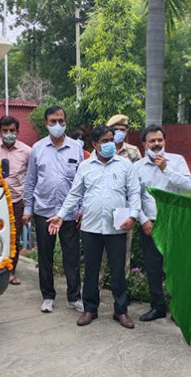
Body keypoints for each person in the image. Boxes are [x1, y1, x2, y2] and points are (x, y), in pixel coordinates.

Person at [46, 124, 142, 329]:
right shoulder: (85, 167)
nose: (109, 144)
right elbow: (74, 194)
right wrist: (61, 215)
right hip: (90, 227)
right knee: (91, 270)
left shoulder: (125, 165)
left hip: (117, 227)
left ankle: (121, 311)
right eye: (104, 141)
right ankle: (90, 309)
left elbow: (134, 193)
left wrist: (133, 216)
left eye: (111, 140)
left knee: (118, 271)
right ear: (94, 144)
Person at [23, 106, 84, 313]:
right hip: (43, 211)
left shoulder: (76, 148)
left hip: (69, 214)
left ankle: (74, 297)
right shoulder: (37, 149)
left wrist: (81, 208)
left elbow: (83, 182)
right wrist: (28, 209)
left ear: (66, 122)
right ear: (46, 124)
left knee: (72, 256)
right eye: (53, 121)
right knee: (45, 256)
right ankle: (48, 296)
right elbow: (30, 182)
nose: (57, 125)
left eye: (61, 121)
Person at [135, 125, 191, 321]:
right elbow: (135, 197)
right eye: (152, 141)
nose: (157, 144)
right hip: (151, 224)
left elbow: (188, 185)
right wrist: (143, 221)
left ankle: (178, 308)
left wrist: (166, 169)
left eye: (160, 140)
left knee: (176, 266)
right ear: (144, 144)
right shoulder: (137, 168)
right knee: (153, 268)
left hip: (175, 223)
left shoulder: (176, 161)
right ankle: (158, 307)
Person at [100, 114, 142, 281]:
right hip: (103, 203)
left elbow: (137, 182)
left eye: (122, 130)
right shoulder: (100, 150)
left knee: (124, 248)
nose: (119, 133)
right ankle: (97, 285)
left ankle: (122, 287)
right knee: (101, 248)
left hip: (124, 204)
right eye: (115, 130)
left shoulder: (133, 152)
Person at [0, 115, 31, 286]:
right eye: (5, 131)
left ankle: (10, 272)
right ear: (0, 131)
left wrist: (29, 206)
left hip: (17, 201)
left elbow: (31, 177)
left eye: (12, 131)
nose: (9, 134)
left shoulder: (27, 151)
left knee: (14, 238)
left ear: (17, 131)